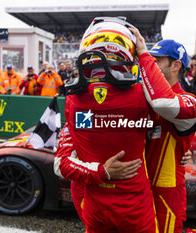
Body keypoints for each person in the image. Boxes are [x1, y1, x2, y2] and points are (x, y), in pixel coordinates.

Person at [54, 17, 158, 233]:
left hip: (96, 205)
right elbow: (170, 113)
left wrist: (102, 171)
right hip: (135, 206)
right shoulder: (144, 95)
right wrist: (144, 53)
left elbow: (62, 165)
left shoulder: (73, 101)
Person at [131, 29, 196, 233]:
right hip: (137, 187)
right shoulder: (143, 96)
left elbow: (164, 103)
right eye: (149, 59)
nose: (149, 64)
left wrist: (143, 53)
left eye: (157, 60)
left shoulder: (190, 102)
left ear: (176, 65)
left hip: (166, 193)